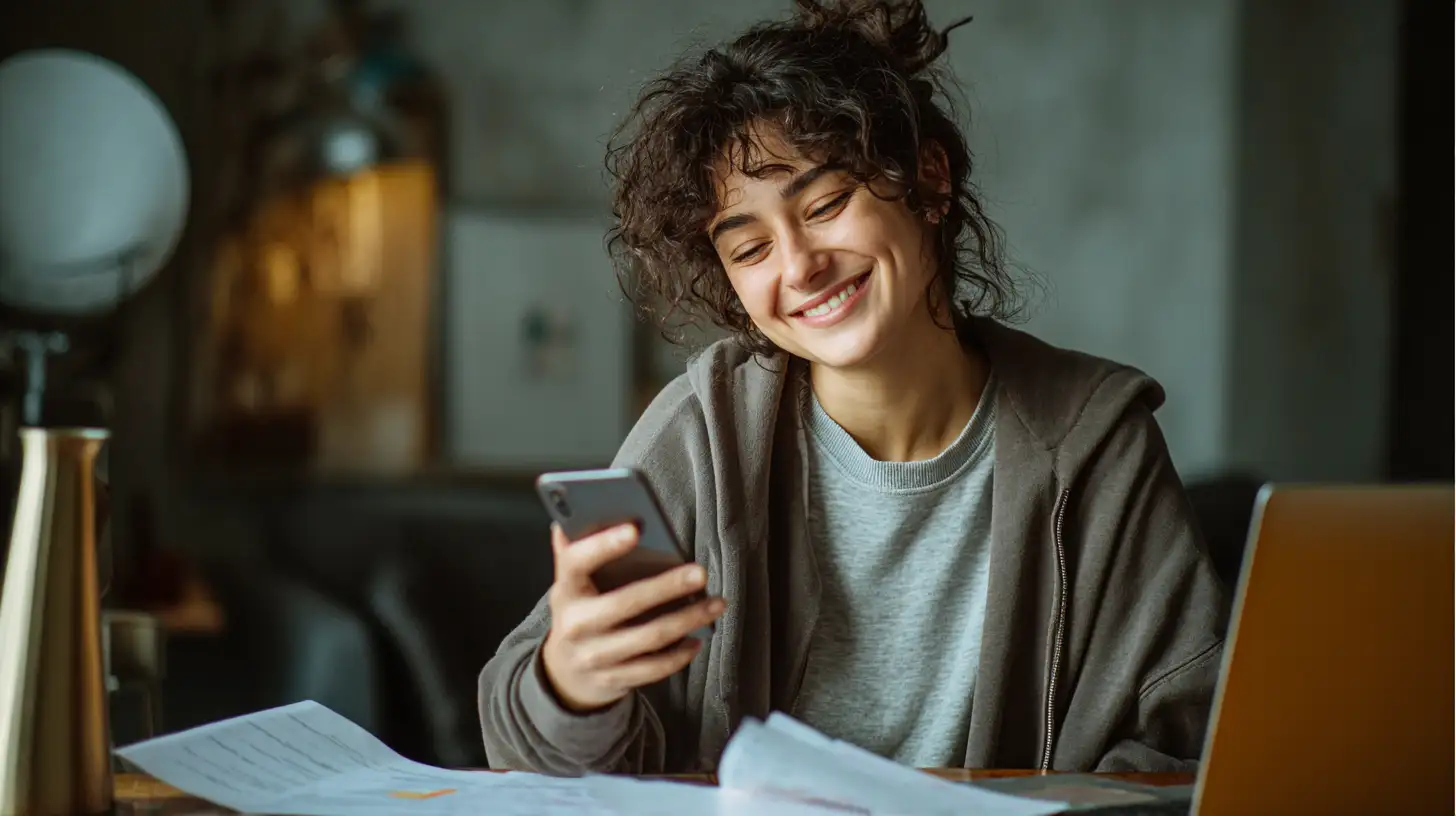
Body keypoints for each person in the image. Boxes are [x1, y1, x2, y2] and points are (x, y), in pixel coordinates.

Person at [479, 0, 1228, 776]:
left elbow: (1189, 741)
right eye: (751, 247)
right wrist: (570, 684)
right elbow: (522, 753)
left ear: (928, 182)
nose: (799, 267)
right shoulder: (702, 434)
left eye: (827, 205)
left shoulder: (1095, 441)